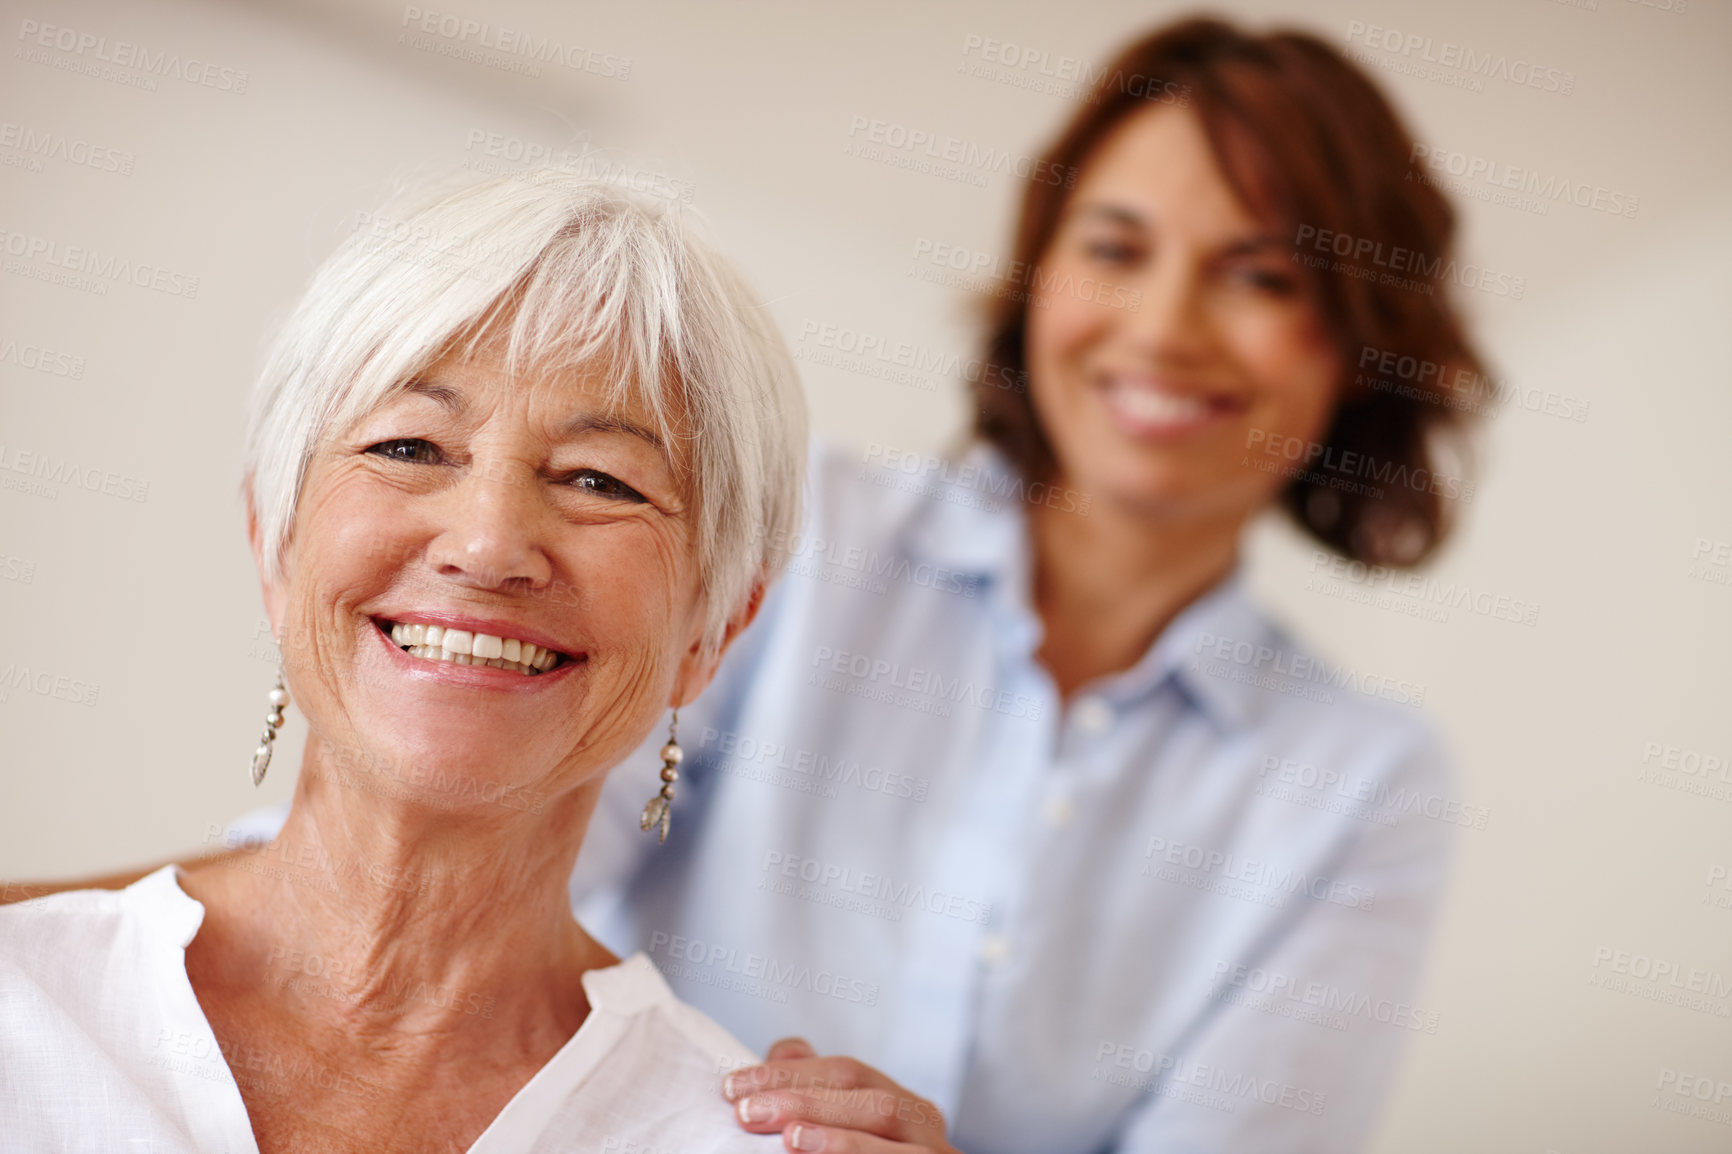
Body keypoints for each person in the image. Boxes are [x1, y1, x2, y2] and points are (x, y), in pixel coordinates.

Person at [8, 17, 1491, 1154]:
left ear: (1359, 338)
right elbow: (435, 786)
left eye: (1265, 274)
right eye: (1116, 246)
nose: (1166, 324)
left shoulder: (1353, 779)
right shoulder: (819, 538)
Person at [0, 171, 815, 1152]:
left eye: (600, 478)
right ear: (278, 539)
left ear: (712, 632)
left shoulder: (740, 1137)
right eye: (412, 445)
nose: (487, 544)